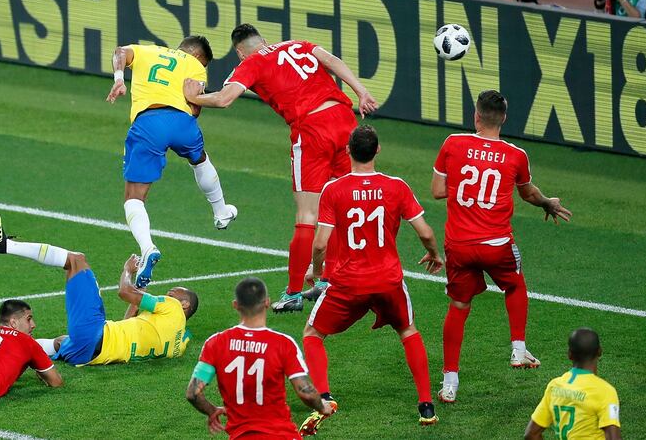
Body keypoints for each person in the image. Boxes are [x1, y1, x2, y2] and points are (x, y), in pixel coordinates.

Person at [183, 24, 379, 313]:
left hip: (312, 130)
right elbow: (333, 62)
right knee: (341, 202)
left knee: (307, 215)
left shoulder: (251, 63)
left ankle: (294, 293)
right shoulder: (297, 44)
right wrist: (362, 92)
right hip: (344, 121)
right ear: (263, 40)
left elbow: (224, 99)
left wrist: (194, 97)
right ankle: (330, 279)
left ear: (239, 51)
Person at [298, 125, 443, 434]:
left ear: (348, 151)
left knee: (312, 334)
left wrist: (318, 274)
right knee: (407, 331)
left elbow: (321, 243)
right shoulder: (397, 186)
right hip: (388, 280)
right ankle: (426, 406)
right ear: (378, 150)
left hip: (347, 283)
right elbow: (426, 232)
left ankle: (324, 398)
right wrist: (434, 254)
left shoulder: (334, 190)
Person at [431, 90, 572, 403]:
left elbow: (438, 191)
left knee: (458, 308)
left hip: (460, 245)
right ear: (504, 118)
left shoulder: (453, 143)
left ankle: (449, 383)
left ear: (476, 116)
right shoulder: (516, 155)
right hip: (496, 244)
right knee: (515, 285)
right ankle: (518, 350)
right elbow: (528, 193)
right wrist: (548, 203)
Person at [107, 35, 237, 288]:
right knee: (199, 159)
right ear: (200, 57)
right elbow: (195, 106)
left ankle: (147, 249)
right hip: (182, 123)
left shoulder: (147, 51)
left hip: (149, 122)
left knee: (134, 197)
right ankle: (221, 212)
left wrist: (120, 80)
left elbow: (119, 52)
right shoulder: (196, 67)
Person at [0, 214, 199, 366]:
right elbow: (128, 321)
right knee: (61, 342)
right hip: (92, 356)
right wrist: (140, 292)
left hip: (96, 336)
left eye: (172, 294)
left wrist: (128, 271)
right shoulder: (178, 344)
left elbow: (124, 292)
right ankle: (1, 350)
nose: (167, 295)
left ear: (184, 304)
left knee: (76, 261)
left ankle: (4, 245)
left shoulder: (171, 307)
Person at [186, 277, 331, 439]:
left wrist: (212, 411)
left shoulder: (215, 343)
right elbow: (306, 392)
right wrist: (322, 407)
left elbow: (193, 393)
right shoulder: (283, 343)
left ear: (236, 305)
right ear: (267, 303)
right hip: (281, 435)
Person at [523, 328, 622, 440]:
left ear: (570, 354)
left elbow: (531, 434)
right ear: (599, 351)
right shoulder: (605, 391)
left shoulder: (554, 386)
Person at [0, 299, 63, 398]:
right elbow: (56, 382)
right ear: (13, 323)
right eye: (28, 319)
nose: (33, 325)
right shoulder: (28, 342)